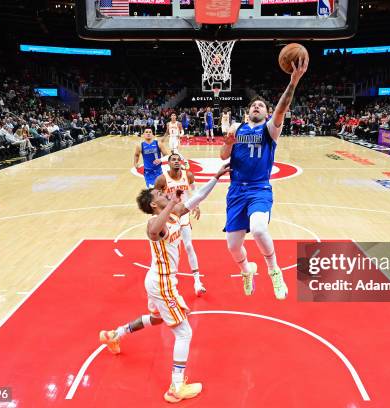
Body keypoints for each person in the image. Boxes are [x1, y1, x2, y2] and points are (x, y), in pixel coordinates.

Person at [99, 163, 231, 404]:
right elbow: (154, 230)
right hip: (162, 283)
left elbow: (198, 196)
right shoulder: (153, 223)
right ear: (153, 204)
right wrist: (171, 203)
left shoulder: (174, 212)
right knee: (184, 332)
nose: (165, 191)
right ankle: (176, 387)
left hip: (157, 280)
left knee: (160, 318)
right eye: (160, 194)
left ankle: (114, 334)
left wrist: (216, 177)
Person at [220, 56, 308, 300]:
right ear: (248, 112)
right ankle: (247, 271)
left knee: (259, 229)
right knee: (233, 246)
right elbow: (222, 156)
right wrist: (227, 144)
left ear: (268, 113)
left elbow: (282, 107)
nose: (257, 107)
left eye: (261, 106)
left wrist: (294, 81)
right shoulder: (236, 129)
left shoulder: (270, 129)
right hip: (236, 191)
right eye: (254, 106)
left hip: (259, 189)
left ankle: (274, 270)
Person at [154, 153, 206, 296]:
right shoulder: (162, 179)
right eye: (173, 160)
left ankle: (197, 281)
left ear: (181, 162)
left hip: (183, 214)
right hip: (169, 216)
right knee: (172, 248)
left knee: (188, 245)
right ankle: (168, 279)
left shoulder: (188, 175)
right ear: (168, 163)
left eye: (178, 160)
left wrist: (196, 205)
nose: (176, 161)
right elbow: (155, 197)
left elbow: (195, 191)